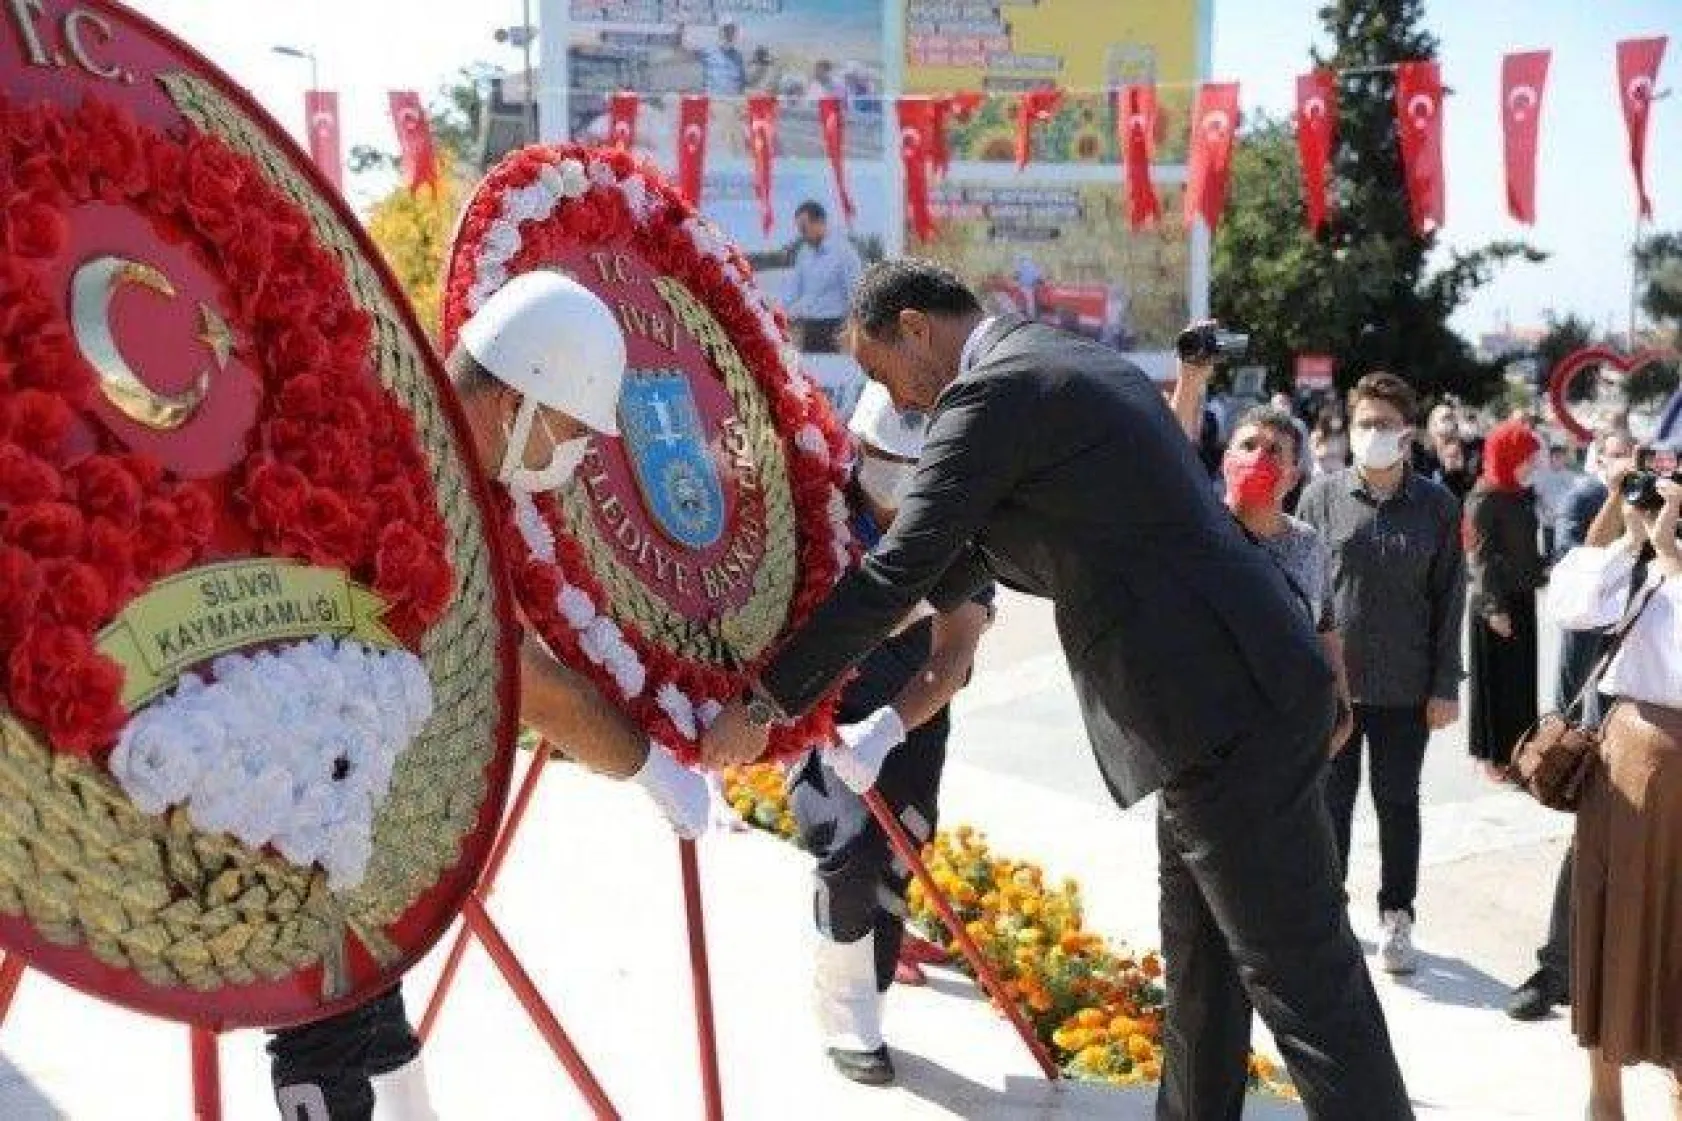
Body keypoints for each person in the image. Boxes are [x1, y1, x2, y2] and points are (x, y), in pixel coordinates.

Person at [700, 259, 1412, 1120]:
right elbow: (943, 580)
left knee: (1304, 982)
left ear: (916, 326)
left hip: (1228, 707)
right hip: (1221, 706)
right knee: (1202, 970)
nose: (908, 402)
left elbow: (899, 571)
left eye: (889, 373)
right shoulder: (1061, 366)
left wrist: (763, 702)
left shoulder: (993, 393)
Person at [267, 273, 712, 1120]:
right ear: (517, 403)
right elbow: (519, 672)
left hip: (347, 795)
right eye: (574, 430)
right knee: (321, 1025)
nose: (576, 453)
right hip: (280, 786)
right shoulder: (404, 465)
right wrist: (648, 762)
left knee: (371, 979)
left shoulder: (433, 449)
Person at [790, 382, 993, 1086]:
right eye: (877, 454)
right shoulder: (818, 510)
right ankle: (845, 1014)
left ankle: (870, 983)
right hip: (825, 703)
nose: (889, 472)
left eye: (907, 461)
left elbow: (955, 648)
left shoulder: (955, 527)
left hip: (910, 711)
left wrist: (889, 726)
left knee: (901, 846)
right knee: (848, 846)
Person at [1298, 372, 1466, 977]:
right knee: (1328, 802)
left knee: (1398, 802)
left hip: (1407, 687)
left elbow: (1451, 599)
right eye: (1364, 423)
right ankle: (1327, 914)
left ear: (1408, 432)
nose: (1373, 434)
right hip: (1334, 683)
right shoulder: (1320, 499)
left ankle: (1398, 915)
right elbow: (1301, 590)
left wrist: (1447, 684)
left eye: (1385, 425)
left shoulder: (1437, 506)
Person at [1548, 476, 1682, 1121]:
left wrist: (1671, 561)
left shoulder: (1670, 569)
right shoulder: (1646, 563)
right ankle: (1605, 1103)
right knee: (1616, 925)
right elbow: (1570, 604)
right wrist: (1629, 534)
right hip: (1630, 762)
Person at [1507, 431, 1641, 1021]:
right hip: (1614, 724)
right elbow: (1582, 583)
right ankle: (1559, 967)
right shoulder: (1626, 537)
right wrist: (1624, 501)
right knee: (1587, 848)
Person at [1464, 418, 1547, 781]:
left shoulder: (1517, 493)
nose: (1530, 464)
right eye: (1524, 457)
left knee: (1521, 680)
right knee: (1497, 682)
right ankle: (1493, 757)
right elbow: (1478, 557)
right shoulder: (1484, 498)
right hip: (1495, 603)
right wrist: (1492, 608)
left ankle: (1520, 750)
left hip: (1521, 596)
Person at [786, 201, 863, 354]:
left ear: (820, 222)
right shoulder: (804, 253)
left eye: (804, 228)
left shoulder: (844, 253)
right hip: (808, 328)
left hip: (835, 329)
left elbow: (855, 295)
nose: (802, 234)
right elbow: (793, 292)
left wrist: (854, 333)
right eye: (800, 229)